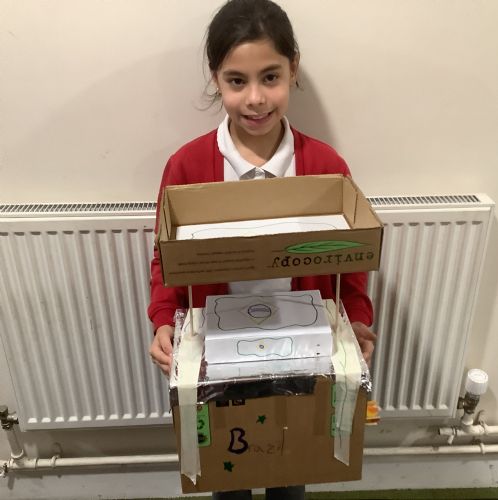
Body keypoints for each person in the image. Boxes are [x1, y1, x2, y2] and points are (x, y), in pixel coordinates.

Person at [148, 1, 376, 498]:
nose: (255, 99)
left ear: (293, 69)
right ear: (216, 79)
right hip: (221, 354)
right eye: (237, 81)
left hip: (303, 351)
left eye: (270, 77)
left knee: (291, 473)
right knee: (228, 477)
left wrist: (357, 319)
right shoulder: (187, 166)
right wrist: (164, 319)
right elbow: (166, 256)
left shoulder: (325, 166)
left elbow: (351, 260)